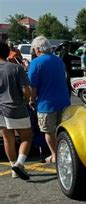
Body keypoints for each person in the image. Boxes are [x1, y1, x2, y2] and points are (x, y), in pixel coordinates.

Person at [28, 36, 70, 164]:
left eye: (34, 49)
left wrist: (31, 100)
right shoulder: (58, 61)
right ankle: (63, 155)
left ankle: (55, 155)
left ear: (38, 49)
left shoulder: (36, 62)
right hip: (63, 101)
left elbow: (32, 86)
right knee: (61, 131)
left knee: (49, 131)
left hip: (46, 104)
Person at [0, 41, 33, 180]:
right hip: (15, 107)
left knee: (8, 139)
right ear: (8, 52)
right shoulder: (16, 68)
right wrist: (28, 99)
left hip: (0, 109)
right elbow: (26, 90)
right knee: (27, 137)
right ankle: (19, 164)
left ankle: (13, 166)